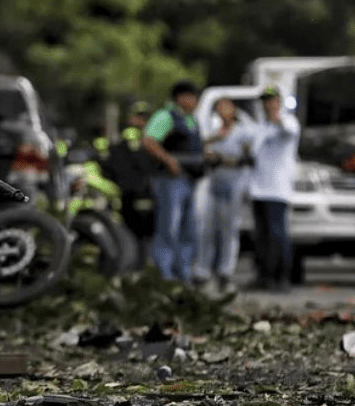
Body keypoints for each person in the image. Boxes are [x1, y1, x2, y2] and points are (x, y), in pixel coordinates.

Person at [141, 80, 203, 282]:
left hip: (189, 179)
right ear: (181, 98)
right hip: (170, 179)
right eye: (192, 97)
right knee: (168, 226)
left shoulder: (190, 120)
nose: (195, 101)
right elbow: (148, 140)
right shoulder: (166, 116)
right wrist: (168, 160)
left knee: (188, 229)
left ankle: (182, 271)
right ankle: (164, 273)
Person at [192, 98, 255, 293]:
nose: (222, 112)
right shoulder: (214, 130)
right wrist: (213, 142)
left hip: (234, 183)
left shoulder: (244, 131)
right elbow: (201, 149)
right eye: (219, 108)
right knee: (206, 228)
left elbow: (248, 158)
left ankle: (225, 273)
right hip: (213, 182)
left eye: (226, 108)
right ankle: (202, 273)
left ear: (233, 110)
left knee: (229, 231)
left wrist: (223, 160)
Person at [247, 85, 301, 292]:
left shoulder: (288, 122)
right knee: (261, 235)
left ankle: (282, 277)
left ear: (278, 102)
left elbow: (288, 131)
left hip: (277, 189)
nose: (268, 105)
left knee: (278, 234)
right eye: (265, 101)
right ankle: (263, 275)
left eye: (272, 101)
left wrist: (276, 117)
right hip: (258, 188)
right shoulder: (260, 127)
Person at [105, 100, 157, 264]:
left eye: (144, 118)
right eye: (138, 117)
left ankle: (140, 266)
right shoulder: (122, 143)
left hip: (144, 192)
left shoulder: (149, 141)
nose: (140, 121)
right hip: (127, 193)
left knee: (144, 233)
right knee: (129, 231)